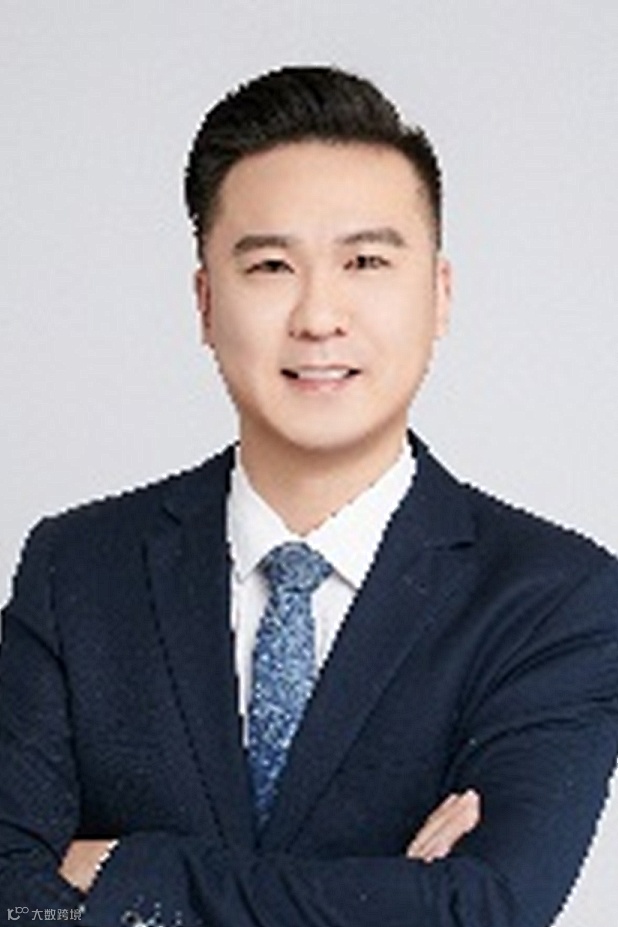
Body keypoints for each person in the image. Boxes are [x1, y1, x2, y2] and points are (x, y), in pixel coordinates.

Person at [1, 65, 617, 927]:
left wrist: (133, 874)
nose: (319, 316)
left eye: (365, 261)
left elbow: (487, 907)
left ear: (439, 294)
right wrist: (394, 896)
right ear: (205, 301)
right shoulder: (76, 568)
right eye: (271, 265)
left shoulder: (555, 595)